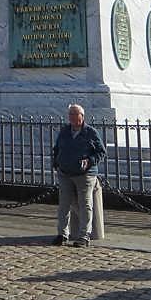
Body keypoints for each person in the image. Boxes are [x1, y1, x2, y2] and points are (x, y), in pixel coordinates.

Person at [51, 104, 107, 247]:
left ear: (83, 117)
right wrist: (56, 163)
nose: (74, 118)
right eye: (71, 115)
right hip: (65, 173)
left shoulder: (91, 132)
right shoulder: (64, 131)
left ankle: (84, 235)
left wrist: (89, 161)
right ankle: (62, 234)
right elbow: (56, 148)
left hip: (85, 175)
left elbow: (101, 151)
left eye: (76, 115)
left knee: (85, 204)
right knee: (64, 205)